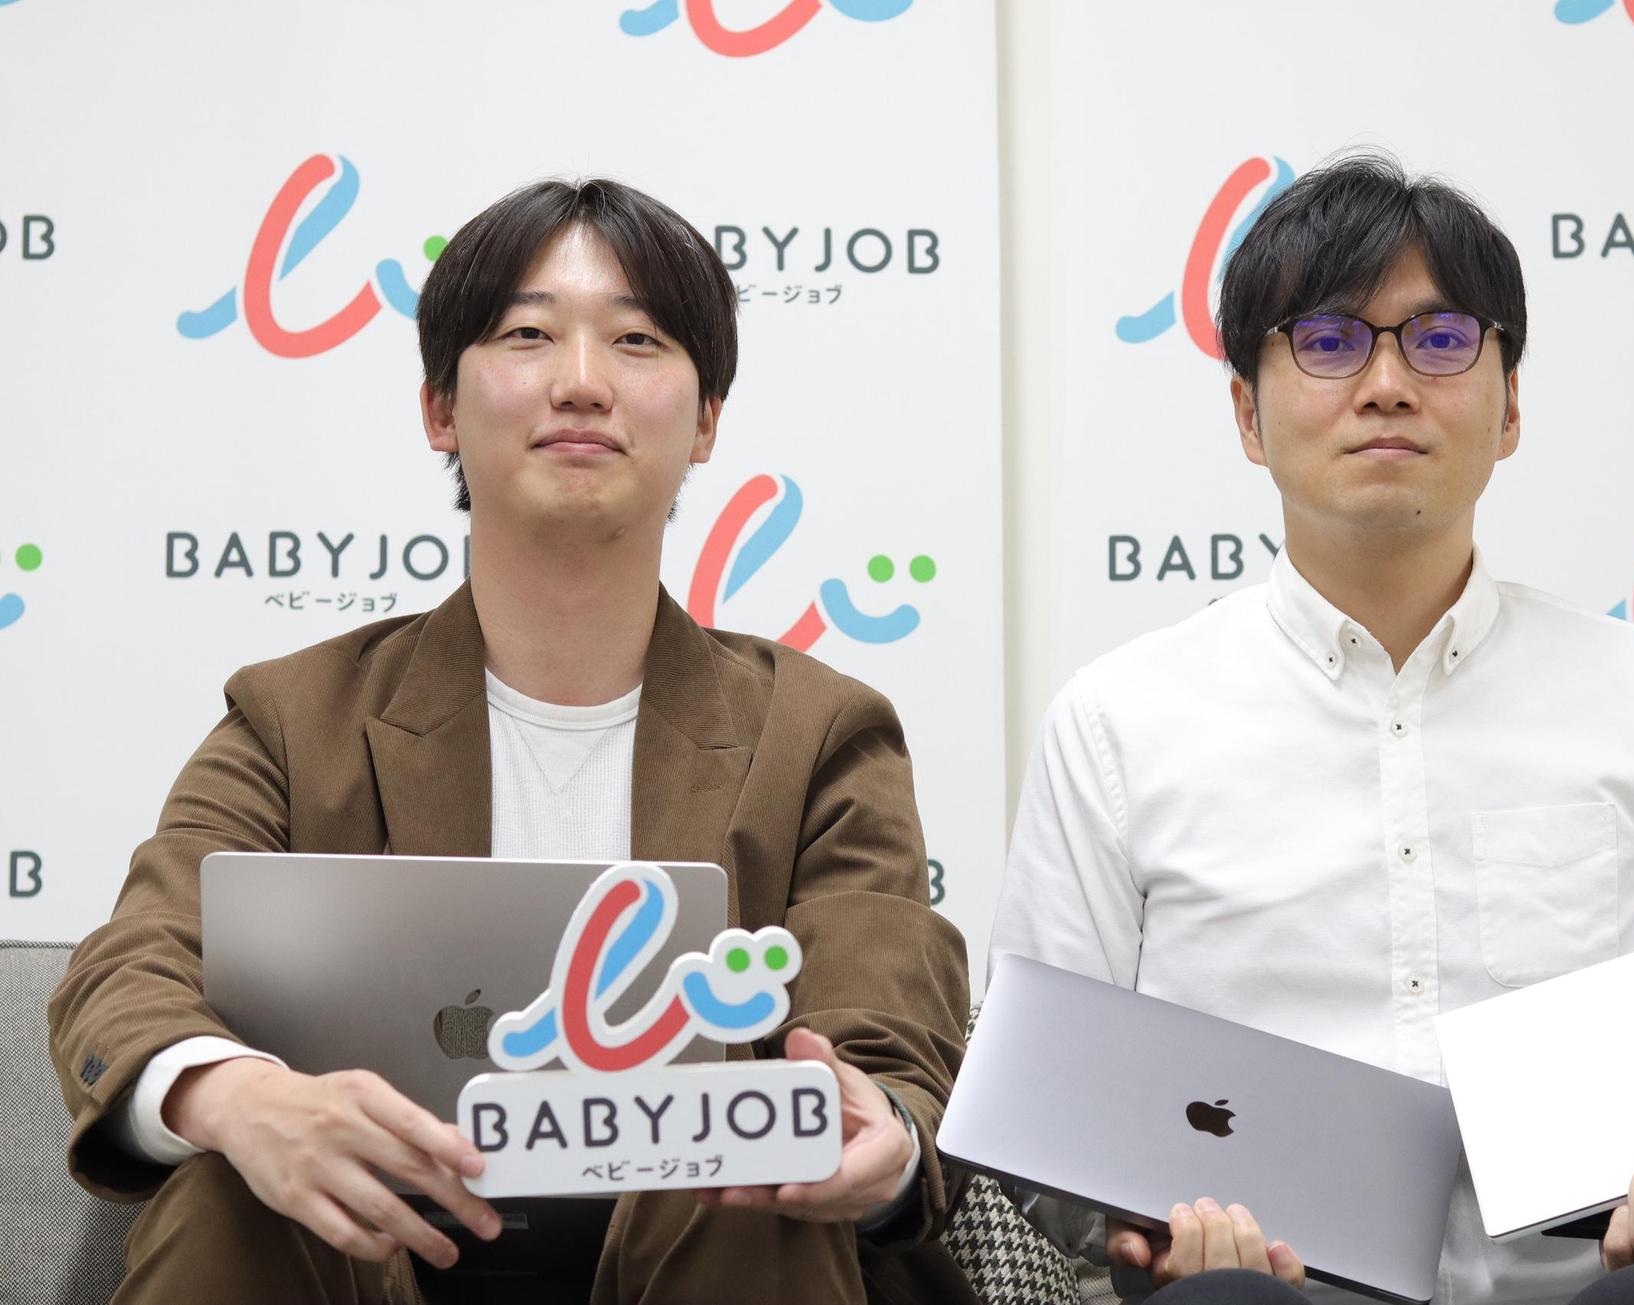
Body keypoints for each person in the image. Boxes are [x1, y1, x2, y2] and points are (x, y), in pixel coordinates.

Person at [48, 178, 976, 1305]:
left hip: (708, 1252)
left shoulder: (820, 733)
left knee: (742, 1165)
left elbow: (883, 1037)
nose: (582, 381)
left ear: (706, 423)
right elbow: (132, 967)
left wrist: (873, 1130)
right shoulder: (294, 719)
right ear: (440, 408)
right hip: (373, 1246)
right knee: (230, 1188)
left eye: (637, 340)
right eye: (528, 334)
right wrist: (241, 1098)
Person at [990, 152, 1634, 1303]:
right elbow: (1043, 1127)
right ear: (1247, 414)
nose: (1389, 383)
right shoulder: (1118, 724)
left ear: (1509, 405)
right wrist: (1141, 1221)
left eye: (1440, 338)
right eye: (1328, 340)